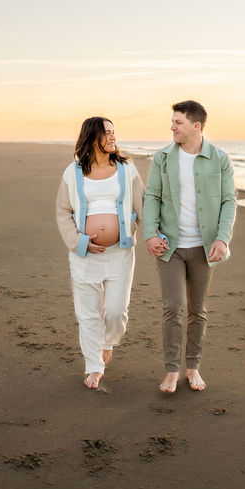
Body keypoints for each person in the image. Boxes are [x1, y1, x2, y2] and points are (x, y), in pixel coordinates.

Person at [143, 100, 236, 393]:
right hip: (170, 246)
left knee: (197, 310)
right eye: (172, 122)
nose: (172, 127)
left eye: (178, 122)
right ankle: (172, 370)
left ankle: (192, 368)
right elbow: (152, 198)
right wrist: (150, 234)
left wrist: (222, 238)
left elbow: (228, 201)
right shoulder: (162, 158)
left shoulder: (219, 159)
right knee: (174, 307)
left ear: (196, 126)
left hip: (204, 248)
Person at [55, 117, 145, 389]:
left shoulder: (127, 169)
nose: (113, 137)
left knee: (117, 311)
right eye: (107, 133)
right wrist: (79, 242)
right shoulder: (72, 173)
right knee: (88, 313)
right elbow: (63, 212)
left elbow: (142, 207)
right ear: (93, 138)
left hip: (120, 252)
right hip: (85, 256)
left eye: (114, 132)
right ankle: (94, 365)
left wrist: (153, 237)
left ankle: (108, 341)